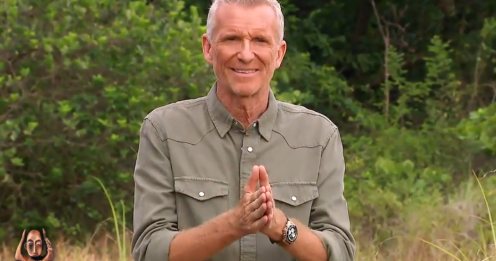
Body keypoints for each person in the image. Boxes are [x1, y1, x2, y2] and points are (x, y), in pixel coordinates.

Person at [130, 0, 356, 260]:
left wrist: (281, 228)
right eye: (232, 39)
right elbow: (149, 251)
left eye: (260, 40)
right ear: (208, 48)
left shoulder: (319, 137)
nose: (246, 54)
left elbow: (340, 253)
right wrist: (233, 225)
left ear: (279, 53)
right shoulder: (164, 131)